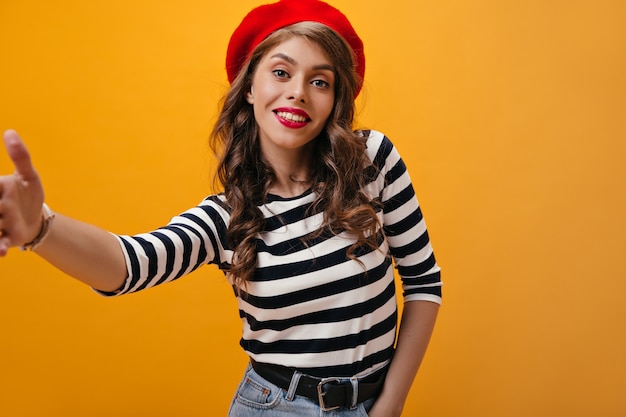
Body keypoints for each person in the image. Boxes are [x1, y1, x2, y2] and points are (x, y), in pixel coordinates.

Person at [0, 0, 442, 415]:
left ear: (334, 101)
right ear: (250, 87)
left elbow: (424, 282)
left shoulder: (371, 159)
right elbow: (128, 263)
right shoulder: (228, 216)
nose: (299, 93)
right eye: (281, 72)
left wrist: (389, 405)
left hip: (374, 403)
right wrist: (40, 228)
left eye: (319, 81)